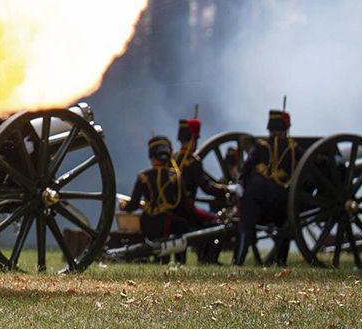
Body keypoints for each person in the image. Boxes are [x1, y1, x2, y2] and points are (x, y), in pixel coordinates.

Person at [231, 108, 297, 266]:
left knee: (245, 229)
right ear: (286, 128)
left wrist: (241, 185)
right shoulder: (293, 149)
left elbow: (246, 168)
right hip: (279, 201)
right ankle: (280, 262)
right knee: (285, 225)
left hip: (255, 199)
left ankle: (238, 262)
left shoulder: (261, 146)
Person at [125, 135, 186, 262]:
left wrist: (123, 206)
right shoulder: (175, 176)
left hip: (147, 221)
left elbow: (132, 205)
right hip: (166, 222)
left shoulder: (143, 176)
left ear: (152, 156)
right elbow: (181, 203)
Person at [168, 116, 220, 262]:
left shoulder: (173, 158)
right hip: (186, 209)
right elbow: (206, 187)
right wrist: (223, 190)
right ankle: (207, 259)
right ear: (192, 140)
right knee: (216, 223)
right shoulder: (193, 162)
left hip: (172, 208)